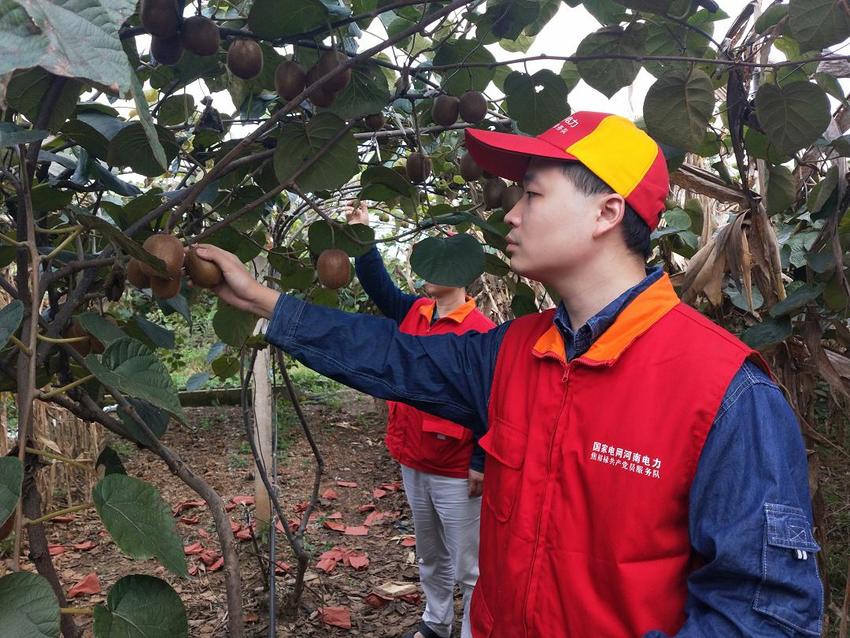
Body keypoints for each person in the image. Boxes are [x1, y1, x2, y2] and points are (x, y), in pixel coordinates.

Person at [193, 111, 823, 637]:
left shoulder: (726, 391)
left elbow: (764, 613)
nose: (511, 214)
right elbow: (394, 355)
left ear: (607, 212)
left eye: (532, 193)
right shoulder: (514, 352)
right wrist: (265, 302)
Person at [344, 201, 495, 638]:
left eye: (437, 264)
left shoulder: (480, 332)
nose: (427, 271)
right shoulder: (415, 313)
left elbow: (490, 403)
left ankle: (474, 630)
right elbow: (378, 286)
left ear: (461, 275)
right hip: (414, 458)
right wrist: (362, 236)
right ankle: (436, 620)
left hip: (454, 466)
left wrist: (481, 462)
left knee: (470, 562)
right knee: (430, 552)